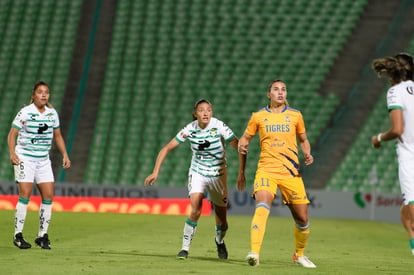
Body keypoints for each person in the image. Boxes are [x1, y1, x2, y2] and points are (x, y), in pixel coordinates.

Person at [144, 99, 239, 260]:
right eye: (201, 110)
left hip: (218, 174)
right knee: (195, 208)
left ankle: (219, 240)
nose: (205, 113)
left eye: (208, 110)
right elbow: (166, 148)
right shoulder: (189, 129)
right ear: (195, 113)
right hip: (198, 172)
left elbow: (237, 145)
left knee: (222, 221)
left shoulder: (219, 126)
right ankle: (184, 249)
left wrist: (242, 168)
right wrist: (155, 172)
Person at [237, 79, 316, 268]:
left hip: (290, 173)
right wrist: (242, 145)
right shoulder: (258, 116)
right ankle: (254, 253)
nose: (280, 92)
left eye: (283, 90)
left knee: (303, 220)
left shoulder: (296, 116)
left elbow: (303, 139)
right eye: (276, 89)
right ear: (269, 94)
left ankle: (299, 254)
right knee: (262, 207)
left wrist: (307, 152)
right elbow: (245, 138)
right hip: (266, 170)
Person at [7, 81, 71, 249]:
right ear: (34, 95)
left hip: (43, 160)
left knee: (48, 196)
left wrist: (65, 154)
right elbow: (12, 134)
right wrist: (13, 153)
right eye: (40, 92)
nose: (44, 95)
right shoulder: (25, 112)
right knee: (25, 194)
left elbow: (57, 136)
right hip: (25, 159)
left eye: (46, 92)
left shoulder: (52, 114)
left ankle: (42, 236)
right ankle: (18, 235)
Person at [370, 53, 414, 256]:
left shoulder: (395, 92)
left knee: (410, 215)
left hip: (410, 155)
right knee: (406, 215)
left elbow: (397, 130)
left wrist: (378, 137)